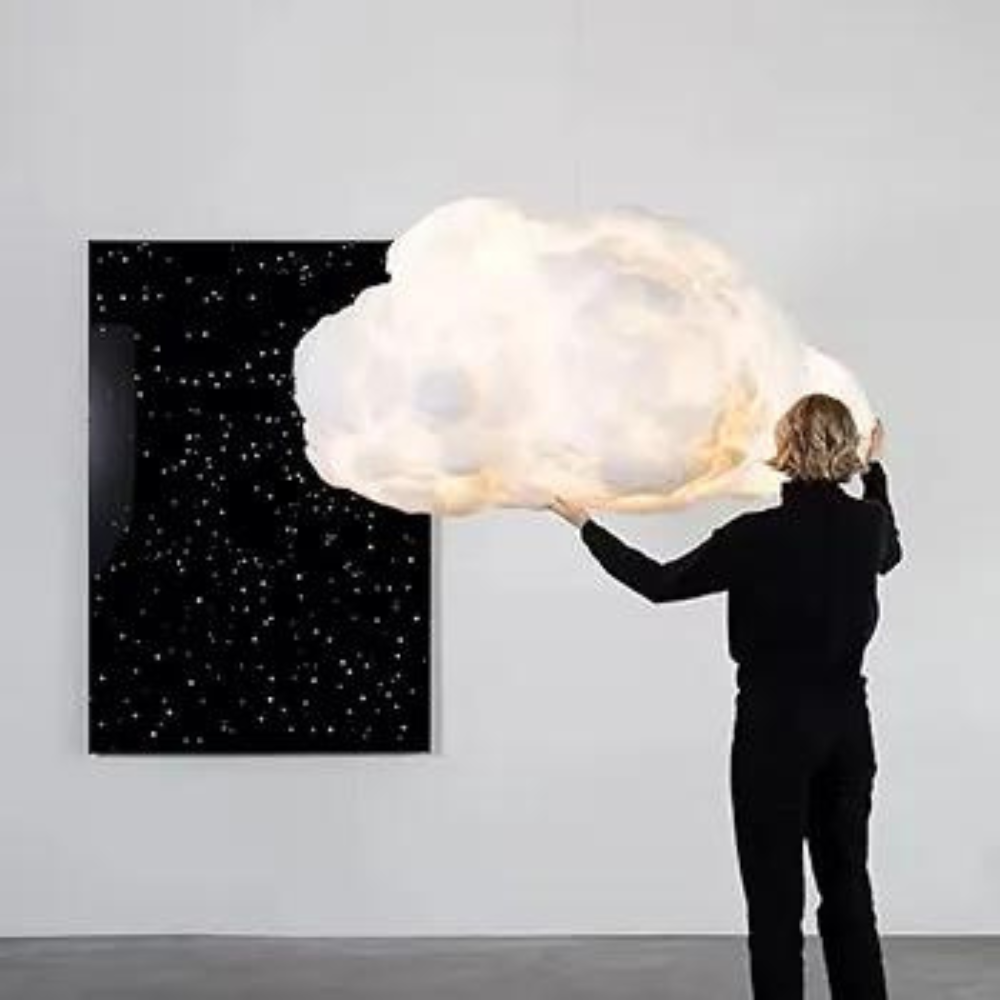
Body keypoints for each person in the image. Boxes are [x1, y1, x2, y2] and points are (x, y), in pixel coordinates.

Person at [549, 393, 902, 1000]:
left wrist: (587, 526)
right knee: (847, 885)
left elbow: (659, 583)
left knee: (774, 900)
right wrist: (875, 472)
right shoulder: (867, 527)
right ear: (847, 448)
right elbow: (890, 552)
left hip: (773, 731)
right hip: (847, 726)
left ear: (785, 447)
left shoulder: (753, 537)